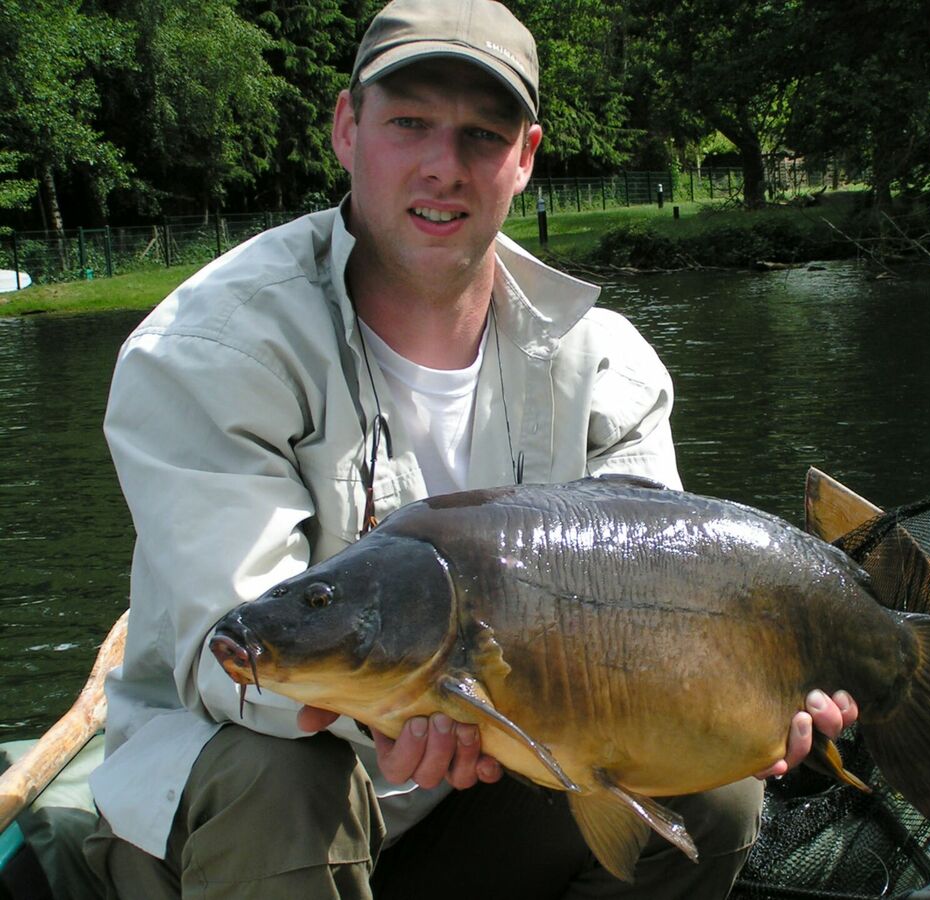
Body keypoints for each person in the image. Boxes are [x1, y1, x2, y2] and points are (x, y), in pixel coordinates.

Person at [82, 1, 856, 897]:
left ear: (525, 157)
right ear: (347, 127)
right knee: (286, 778)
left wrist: (749, 706)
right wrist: (424, 706)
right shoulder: (204, 352)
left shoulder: (608, 365)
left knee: (714, 790)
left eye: (481, 137)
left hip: (486, 778)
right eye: (409, 123)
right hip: (240, 815)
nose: (443, 168)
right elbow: (242, 648)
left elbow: (658, 630)